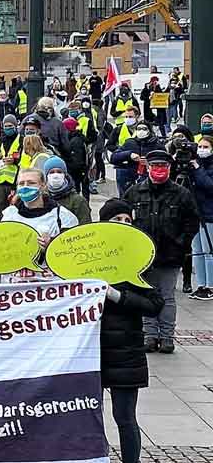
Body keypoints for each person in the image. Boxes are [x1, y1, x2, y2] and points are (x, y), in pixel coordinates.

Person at [96, 198, 165, 463]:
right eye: (117, 220)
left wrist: (118, 296)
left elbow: (154, 304)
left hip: (126, 353)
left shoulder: (137, 258)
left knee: (125, 418)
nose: (124, 224)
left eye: (128, 220)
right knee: (91, 416)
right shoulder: (86, 259)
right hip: (91, 350)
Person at [123, 150, 201, 353]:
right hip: (142, 256)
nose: (159, 170)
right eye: (155, 166)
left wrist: (181, 244)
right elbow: (123, 219)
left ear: (169, 168)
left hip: (170, 254)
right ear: (147, 168)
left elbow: (192, 222)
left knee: (166, 296)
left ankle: (167, 336)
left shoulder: (181, 193)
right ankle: (150, 334)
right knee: (147, 295)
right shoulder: (135, 192)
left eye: (163, 167)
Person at [0, 168, 80, 283]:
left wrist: (52, 245)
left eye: (31, 183)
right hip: (12, 290)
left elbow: (75, 255)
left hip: (50, 291)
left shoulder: (63, 217)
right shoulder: (8, 215)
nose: (25, 187)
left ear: (43, 186)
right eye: (21, 183)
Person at [111, 122, 165, 196]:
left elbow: (165, 161)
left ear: (149, 130)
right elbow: (114, 157)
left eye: (144, 129)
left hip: (150, 179)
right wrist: (129, 154)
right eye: (139, 129)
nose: (141, 131)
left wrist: (149, 162)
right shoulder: (130, 143)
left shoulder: (157, 145)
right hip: (132, 178)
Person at [190, 136, 213, 300]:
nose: (201, 149)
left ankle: (210, 286)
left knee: (208, 252)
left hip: (209, 214)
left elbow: (209, 185)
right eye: (200, 146)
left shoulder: (203, 167)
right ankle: (200, 284)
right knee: (197, 251)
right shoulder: (194, 164)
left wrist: (197, 168)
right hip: (195, 214)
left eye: (205, 147)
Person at [42, 155, 92, 224]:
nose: (55, 175)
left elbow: (86, 227)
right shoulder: (42, 199)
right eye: (51, 172)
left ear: (65, 174)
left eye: (59, 172)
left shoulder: (78, 201)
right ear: (46, 176)